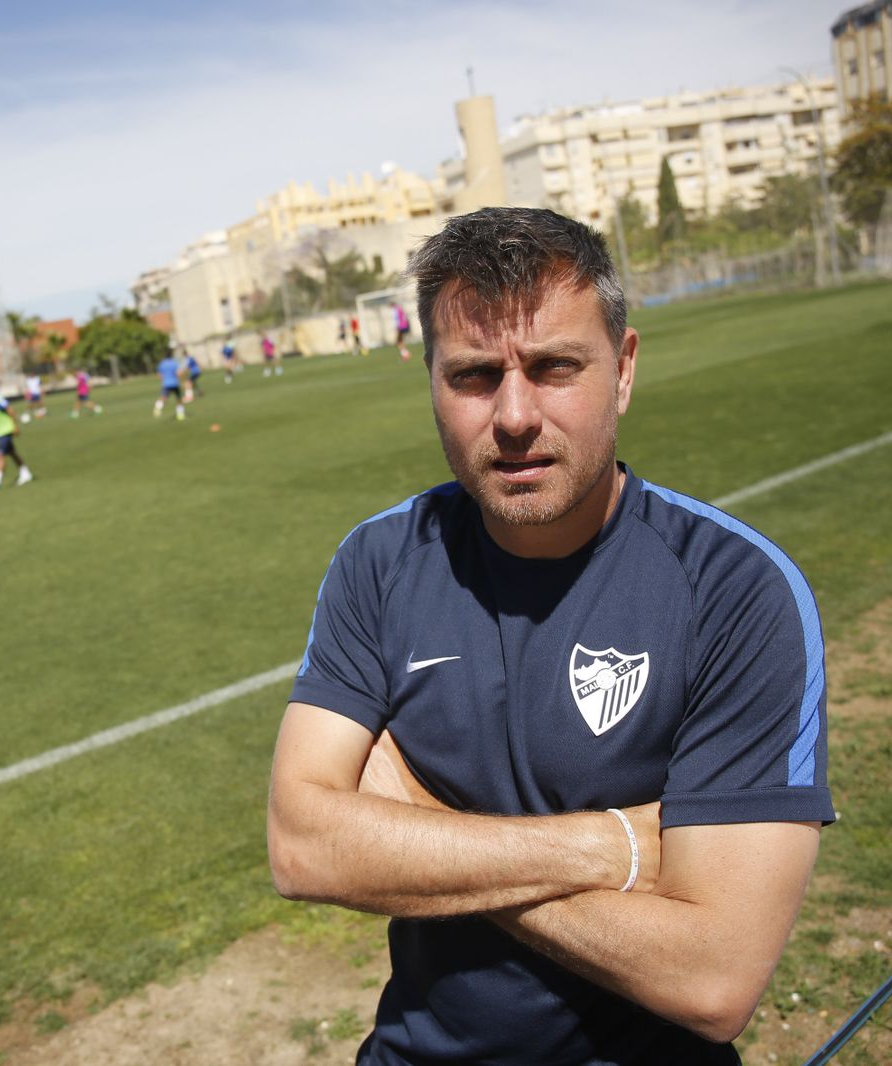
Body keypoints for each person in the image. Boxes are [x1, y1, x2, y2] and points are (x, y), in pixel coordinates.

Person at [267, 207, 831, 1066]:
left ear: (625, 368)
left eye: (555, 366)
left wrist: (414, 820)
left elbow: (712, 980)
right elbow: (304, 848)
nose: (516, 414)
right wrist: (614, 845)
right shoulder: (379, 562)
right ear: (429, 379)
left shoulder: (735, 591)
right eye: (474, 375)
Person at [0, 379, 33, 489]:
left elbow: (10, 410)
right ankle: (26, 473)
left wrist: (15, 426)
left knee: (0, 456)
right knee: (12, 453)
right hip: (1, 431)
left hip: (6, 430)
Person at [154, 346, 186, 421]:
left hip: (166, 384)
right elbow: (178, 374)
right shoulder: (174, 363)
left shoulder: (162, 363)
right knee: (179, 399)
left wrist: (163, 381)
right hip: (174, 383)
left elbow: (159, 375)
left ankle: (158, 408)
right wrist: (183, 373)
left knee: (163, 397)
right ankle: (180, 415)